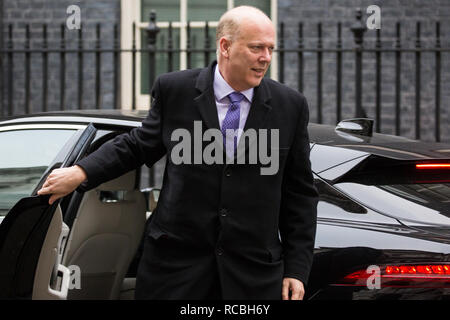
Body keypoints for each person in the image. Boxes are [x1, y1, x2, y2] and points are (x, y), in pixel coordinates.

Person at [37, 6, 318, 300]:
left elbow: (300, 195)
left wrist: (296, 270)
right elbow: (137, 145)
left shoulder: (291, 106)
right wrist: (80, 172)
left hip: (252, 278)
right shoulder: (176, 91)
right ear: (225, 46)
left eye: (270, 49)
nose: (266, 58)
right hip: (176, 273)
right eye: (256, 47)